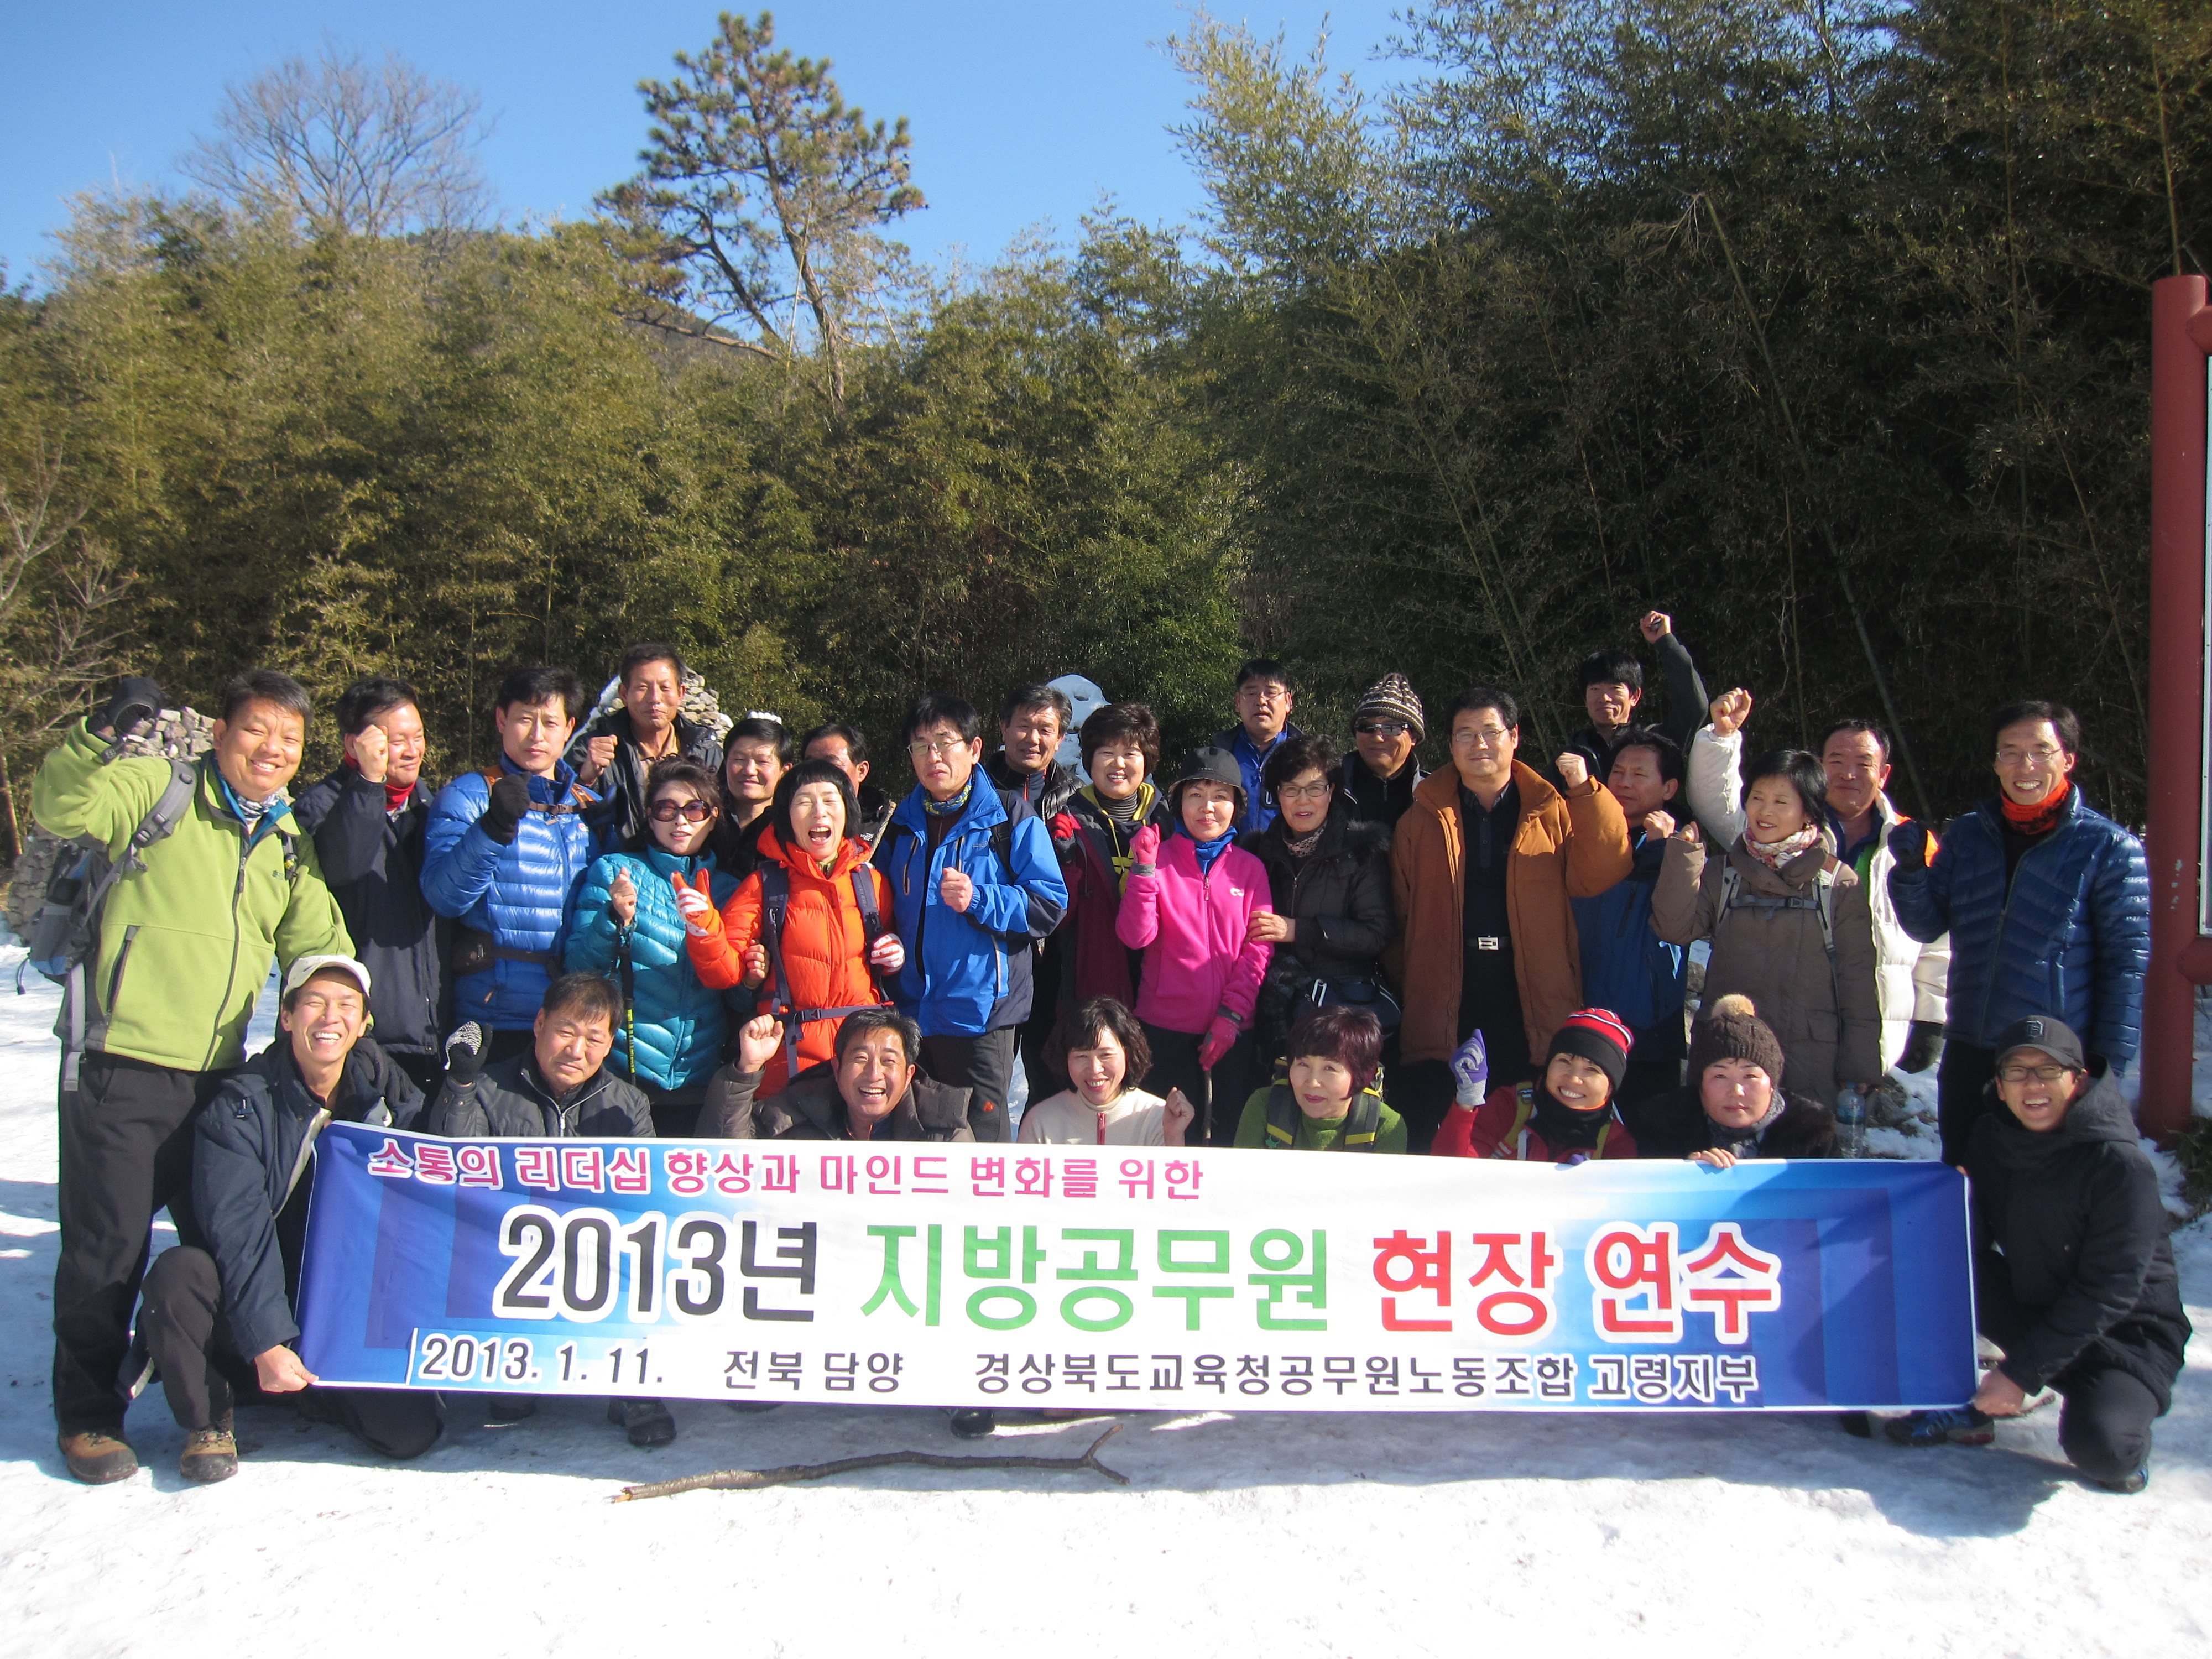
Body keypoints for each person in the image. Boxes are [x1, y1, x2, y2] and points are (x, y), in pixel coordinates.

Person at [30, 669, 351, 1485]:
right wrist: (101, 735)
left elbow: (320, 945)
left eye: (290, 739)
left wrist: (348, 1020)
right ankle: (89, 1414)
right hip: (122, 1065)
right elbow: (62, 808)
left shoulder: (285, 838)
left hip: (218, 1078)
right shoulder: (158, 789)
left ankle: (209, 1413)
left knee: (219, 1250)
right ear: (221, 733)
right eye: (257, 731)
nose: (272, 750)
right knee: (107, 1250)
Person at [134, 957, 439, 1483]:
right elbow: (240, 1235)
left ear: (364, 1023)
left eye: (346, 1006)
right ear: (287, 1017)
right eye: (315, 1003)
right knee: (179, 1274)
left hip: (339, 1304)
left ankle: (318, 1392)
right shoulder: (241, 1105)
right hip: (248, 1303)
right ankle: (211, 1416)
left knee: (410, 1433)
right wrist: (267, 1340)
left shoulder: (386, 1093)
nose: (330, 1018)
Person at [1887, 1016, 2189, 1494]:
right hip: (2039, 1305)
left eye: (2048, 1071)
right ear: (2000, 1086)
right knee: (1936, 1260)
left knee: (2105, 1452)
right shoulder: (1991, 1137)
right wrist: (1953, 1207)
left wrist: (2020, 1373)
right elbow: (1968, 1247)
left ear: (2077, 1080)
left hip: (2125, 1336)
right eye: (2017, 1072)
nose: (2032, 1085)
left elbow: (2110, 1291)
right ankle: (1961, 1401)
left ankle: (2104, 1413)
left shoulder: (2120, 1165)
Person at [1887, 702, 2150, 1165]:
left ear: (2068, 759)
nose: (2024, 766)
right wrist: (1910, 873)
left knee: (2044, 1193)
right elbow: (1927, 924)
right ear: (1995, 763)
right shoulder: (1968, 836)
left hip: (2051, 1059)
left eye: (2040, 751)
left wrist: (2105, 1070)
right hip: (1971, 1049)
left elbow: (2125, 966)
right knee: (1966, 1185)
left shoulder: (2108, 847)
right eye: (2010, 752)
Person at [430, 974, 673, 1448]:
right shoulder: (487, 1087)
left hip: (597, 1259)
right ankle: (515, 1366)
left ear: (609, 1045)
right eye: (566, 1031)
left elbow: (648, 1199)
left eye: (593, 1039)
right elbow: (451, 1173)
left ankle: (633, 1385)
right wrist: (459, 1084)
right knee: (509, 1403)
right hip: (509, 1256)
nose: (576, 1050)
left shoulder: (628, 1104)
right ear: (540, 1023)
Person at [1389, 687, 1633, 1152]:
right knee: (1442, 1116)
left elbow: (1603, 870)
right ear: (1450, 744)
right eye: (1465, 734)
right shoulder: (1421, 818)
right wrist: (1418, 979)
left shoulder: (1551, 809)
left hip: (1529, 991)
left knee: (1522, 1121)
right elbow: (1400, 914)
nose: (1478, 744)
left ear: (1514, 737)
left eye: (1490, 732)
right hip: (1448, 990)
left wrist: (1585, 792)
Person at [1686, 692, 1949, 1073]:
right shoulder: (1778, 831)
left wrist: (1930, 1018)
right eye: (1836, 761)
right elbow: (1718, 801)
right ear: (1819, 768)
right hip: (1787, 1025)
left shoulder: (1914, 843)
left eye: (1864, 763)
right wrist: (1723, 738)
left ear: (1884, 773)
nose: (1848, 774)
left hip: (1872, 1028)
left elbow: (1936, 936)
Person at [871, 695, 1068, 1141]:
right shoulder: (901, 824)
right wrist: (885, 940)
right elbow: (879, 906)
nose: (933, 757)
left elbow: (1049, 904)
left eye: (945, 743)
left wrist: (980, 899)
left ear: (975, 748)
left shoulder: (1009, 817)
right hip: (911, 1012)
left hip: (981, 1015)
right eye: (920, 746)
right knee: (916, 1142)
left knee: (982, 1147)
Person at [1653, 748, 1880, 1109]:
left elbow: (1857, 979)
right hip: (1729, 1053)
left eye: (1781, 801)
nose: (1765, 810)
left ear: (1809, 811)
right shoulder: (1723, 873)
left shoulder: (1836, 883)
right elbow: (1673, 930)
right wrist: (1684, 858)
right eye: (1757, 798)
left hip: (1809, 1057)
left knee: (1801, 1142)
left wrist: (1860, 1063)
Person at [682, 759, 904, 1113]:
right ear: (786, 817)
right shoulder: (765, 885)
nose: (819, 812)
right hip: (789, 1062)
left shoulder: (871, 883)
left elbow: (883, 957)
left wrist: (894, 956)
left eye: (830, 800)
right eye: (804, 802)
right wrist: (703, 927)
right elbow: (723, 973)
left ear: (848, 811)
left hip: (862, 1059)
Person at [421, 666, 598, 1064]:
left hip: (570, 1021)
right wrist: (492, 828)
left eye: (550, 722)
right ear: (501, 720)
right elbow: (444, 897)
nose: (537, 735)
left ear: (569, 728)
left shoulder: (588, 809)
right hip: (490, 1013)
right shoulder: (469, 796)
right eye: (524, 719)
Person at [564, 758, 739, 1137]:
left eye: (695, 809)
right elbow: (578, 968)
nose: (680, 821)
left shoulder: (730, 889)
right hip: (623, 1072)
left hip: (701, 1074)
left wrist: (755, 972)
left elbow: (737, 994)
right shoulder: (616, 871)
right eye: (666, 809)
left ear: (713, 818)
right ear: (649, 816)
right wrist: (613, 918)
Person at [293, 676, 451, 1095]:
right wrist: (368, 783)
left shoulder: (431, 808)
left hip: (433, 1034)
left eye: (418, 736)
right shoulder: (320, 807)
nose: (413, 750)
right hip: (358, 1035)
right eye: (397, 741)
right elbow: (344, 865)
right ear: (354, 744)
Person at [1115, 747, 1275, 1145]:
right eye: (1196, 795)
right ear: (1179, 803)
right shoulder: (1159, 860)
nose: (1208, 807)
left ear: (1236, 806)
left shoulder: (1251, 869)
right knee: (1165, 1143)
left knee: (1228, 1142)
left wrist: (1232, 1016)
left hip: (1234, 1031)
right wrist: (1144, 869)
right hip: (1163, 1030)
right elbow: (1135, 936)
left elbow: (1258, 950)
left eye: (1221, 796)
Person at [1241, 733, 1394, 1070]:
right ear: (1277, 794)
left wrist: (1301, 930)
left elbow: (1377, 934)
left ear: (1332, 791)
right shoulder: (1257, 853)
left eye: (1315, 788)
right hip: (1274, 1007)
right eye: (1291, 789)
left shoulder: (1360, 850)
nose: (1303, 801)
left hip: (1340, 1010)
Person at [1571, 728, 1691, 1114]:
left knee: (1648, 1134)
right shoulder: (1581, 836)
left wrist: (1662, 849)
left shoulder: (1685, 849)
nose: (1624, 782)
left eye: (1639, 775)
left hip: (1647, 1026)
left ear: (1669, 788)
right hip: (1583, 1017)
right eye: (1618, 772)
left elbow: (1677, 917)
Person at [984, 684, 1083, 1108]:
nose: (1033, 738)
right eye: (1023, 726)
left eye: (1045, 729)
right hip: (991, 958)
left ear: (1060, 739)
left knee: (1052, 1085)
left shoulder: (1078, 800)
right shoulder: (974, 794)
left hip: (1054, 963)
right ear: (1003, 728)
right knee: (986, 1087)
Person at [1052, 703, 1174, 1036]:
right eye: (1107, 752)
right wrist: (1065, 863)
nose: (1118, 764)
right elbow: (1056, 918)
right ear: (1090, 760)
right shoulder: (1068, 825)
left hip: (1162, 987)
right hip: (1093, 981)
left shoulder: (1169, 822)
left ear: (1147, 761)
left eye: (1131, 753)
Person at [711, 1006, 984, 1142]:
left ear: (909, 1074)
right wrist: (747, 1067)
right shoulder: (796, 1112)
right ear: (837, 1067)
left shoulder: (944, 1127)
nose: (874, 1074)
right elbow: (726, 1161)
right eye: (860, 1059)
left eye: (888, 1061)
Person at [1632, 994, 1835, 1161]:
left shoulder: (1812, 1135)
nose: (1736, 1091)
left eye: (1750, 1076)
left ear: (1772, 1084)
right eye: (1720, 1076)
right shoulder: (1661, 1127)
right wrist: (1687, 1174)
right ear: (1700, 1084)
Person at [567, 643, 724, 849]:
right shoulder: (593, 749)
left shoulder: (707, 751)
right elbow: (562, 812)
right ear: (624, 694)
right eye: (643, 688)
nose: (655, 698)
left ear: (681, 693)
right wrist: (586, 779)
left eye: (665, 688)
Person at [1434, 1009, 1640, 1162]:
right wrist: (1467, 1101)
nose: (1574, 1078)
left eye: (1592, 1069)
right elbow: (1451, 1172)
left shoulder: (1615, 1143)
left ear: (1610, 1087)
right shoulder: (1511, 1107)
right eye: (1564, 1061)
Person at [1020, 997, 1193, 1145]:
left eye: (1106, 1055)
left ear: (1128, 1053)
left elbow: (1173, 1173)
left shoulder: (1157, 1117)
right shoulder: (1041, 1121)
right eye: (1082, 1057)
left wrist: (1173, 1136)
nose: (1095, 1069)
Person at [1233, 1005, 1407, 1152]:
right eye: (1303, 1064)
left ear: (1362, 1074)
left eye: (1330, 1068)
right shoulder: (1263, 1105)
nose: (1313, 1082)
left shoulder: (1385, 1127)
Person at [1562, 611, 1709, 779]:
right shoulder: (1569, 758)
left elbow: (1693, 707)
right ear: (1585, 699)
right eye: (1595, 690)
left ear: (1634, 696)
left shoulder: (1656, 744)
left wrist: (1666, 642)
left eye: (1615, 688)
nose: (1605, 698)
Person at [1214, 657, 1303, 836]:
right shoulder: (1218, 755)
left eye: (1271, 693)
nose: (1261, 701)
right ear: (1238, 702)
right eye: (1251, 693)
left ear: (1288, 702)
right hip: (1231, 853)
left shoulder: (1306, 757)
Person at [712, 716, 795, 881]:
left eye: (762, 762)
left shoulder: (793, 828)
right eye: (739, 760)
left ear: (784, 771)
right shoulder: (704, 818)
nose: (749, 770)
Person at [1340, 673, 1426, 827]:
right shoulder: (1327, 789)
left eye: (1391, 728)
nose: (1378, 737)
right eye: (1367, 727)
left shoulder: (1435, 796)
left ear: (1414, 737)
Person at [802, 721, 893, 848]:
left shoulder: (892, 826)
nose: (820, 775)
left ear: (861, 771)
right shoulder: (789, 822)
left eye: (832, 766)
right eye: (812, 766)